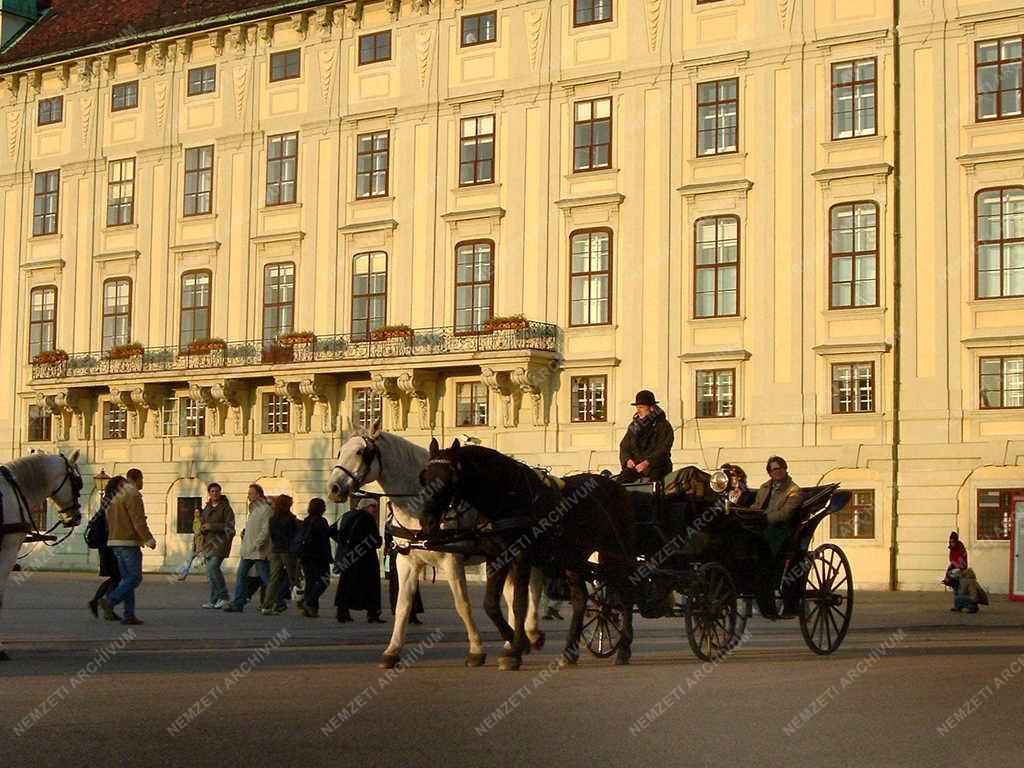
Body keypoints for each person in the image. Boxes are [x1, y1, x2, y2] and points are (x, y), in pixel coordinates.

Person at [99, 468, 156, 626]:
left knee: (127, 579)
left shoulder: (117, 496)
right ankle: (110, 601)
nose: (142, 482)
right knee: (134, 577)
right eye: (142, 479)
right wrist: (148, 539)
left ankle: (129, 615)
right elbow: (138, 520)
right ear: (137, 479)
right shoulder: (133, 495)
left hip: (115, 541)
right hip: (128, 542)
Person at [332, 498, 384, 623]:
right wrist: (378, 541)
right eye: (373, 506)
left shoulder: (347, 516)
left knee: (347, 584)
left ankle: (342, 612)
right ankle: (373, 614)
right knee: (371, 586)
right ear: (366, 506)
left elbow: (332, 531)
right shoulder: (367, 518)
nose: (375, 510)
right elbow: (374, 539)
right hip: (366, 558)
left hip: (349, 556)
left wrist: (344, 544)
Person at [224, 485, 272, 612]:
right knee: (241, 576)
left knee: (266, 577)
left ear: (259, 495)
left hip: (258, 550)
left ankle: (277, 601)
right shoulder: (254, 509)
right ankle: (238, 603)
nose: (248, 496)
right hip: (248, 550)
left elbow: (265, 529)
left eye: (251, 493)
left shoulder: (266, 509)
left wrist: (257, 544)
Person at [87, 475, 126, 618]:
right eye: (122, 485)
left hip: (106, 542)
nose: (124, 488)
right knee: (118, 575)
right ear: (115, 486)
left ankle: (101, 604)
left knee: (115, 576)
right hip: (108, 542)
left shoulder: (108, 499)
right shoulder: (112, 500)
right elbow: (112, 522)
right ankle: (106, 605)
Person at [618, 390, 674, 483]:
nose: (638, 410)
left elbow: (663, 450)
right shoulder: (634, 426)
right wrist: (627, 460)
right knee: (619, 483)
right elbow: (624, 446)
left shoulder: (663, 425)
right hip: (636, 466)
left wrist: (647, 462)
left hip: (657, 467)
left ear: (651, 408)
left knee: (654, 486)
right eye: (637, 407)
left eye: (641, 407)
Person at [751, 456, 803, 555]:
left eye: (780, 468)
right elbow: (757, 505)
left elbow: (785, 514)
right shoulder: (764, 487)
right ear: (770, 472)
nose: (778, 471)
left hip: (780, 527)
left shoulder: (794, 490)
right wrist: (749, 513)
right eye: (774, 469)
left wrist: (765, 518)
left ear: (785, 469)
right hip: (760, 522)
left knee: (763, 537)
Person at [262, 494, 301, 616]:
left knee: (273, 578)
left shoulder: (272, 519)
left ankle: (267, 605)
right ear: (287, 505)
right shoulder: (290, 519)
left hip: (275, 550)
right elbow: (293, 535)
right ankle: (303, 603)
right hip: (288, 551)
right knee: (294, 577)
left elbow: (272, 535)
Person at [199, 482, 235, 609]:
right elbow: (202, 523)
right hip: (208, 543)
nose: (215, 493)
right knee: (211, 572)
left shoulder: (226, 508)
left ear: (220, 492)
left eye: (217, 491)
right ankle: (214, 599)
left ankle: (224, 596)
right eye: (212, 491)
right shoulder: (207, 508)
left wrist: (212, 526)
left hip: (220, 542)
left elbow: (230, 528)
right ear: (209, 493)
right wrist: (202, 528)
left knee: (213, 568)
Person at [384, 505, 423, 624]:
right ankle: (402, 613)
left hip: (407, 551)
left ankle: (412, 613)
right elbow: (388, 538)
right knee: (398, 584)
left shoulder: (402, 519)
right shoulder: (391, 520)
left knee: (411, 584)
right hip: (397, 553)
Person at [297, 498, 333, 618]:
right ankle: (309, 602)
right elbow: (324, 541)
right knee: (324, 581)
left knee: (310, 582)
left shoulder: (306, 520)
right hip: (319, 556)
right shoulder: (321, 521)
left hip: (306, 556)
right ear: (321, 508)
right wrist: (329, 557)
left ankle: (311, 609)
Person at [174, 509, 207, 581]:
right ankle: (183, 575)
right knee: (189, 560)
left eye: (197, 512)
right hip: (196, 544)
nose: (195, 513)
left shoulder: (201, 521)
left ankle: (210, 577)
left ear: (200, 513)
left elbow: (198, 531)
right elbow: (196, 531)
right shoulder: (195, 520)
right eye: (194, 512)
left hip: (201, 544)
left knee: (207, 561)